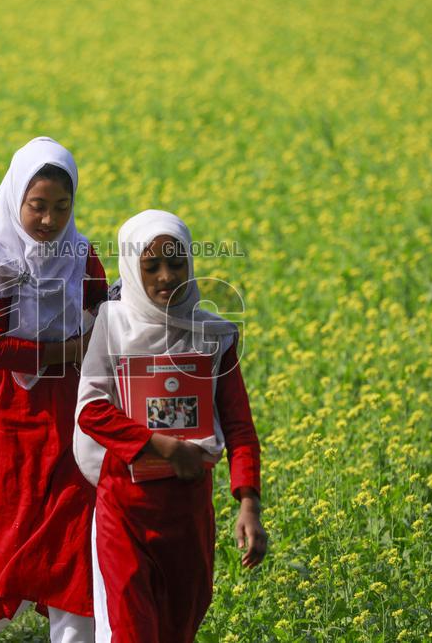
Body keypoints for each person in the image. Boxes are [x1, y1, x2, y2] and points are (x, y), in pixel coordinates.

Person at [0, 137, 107, 643]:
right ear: (17, 198)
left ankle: (71, 631)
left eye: (62, 207)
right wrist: (69, 351)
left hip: (71, 410)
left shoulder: (80, 252)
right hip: (8, 412)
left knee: (72, 529)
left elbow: (104, 314)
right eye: (38, 206)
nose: (49, 220)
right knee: (10, 529)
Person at [74, 210, 267, 642]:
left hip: (187, 510)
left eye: (177, 263)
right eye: (151, 266)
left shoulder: (213, 336)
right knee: (132, 631)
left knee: (178, 628)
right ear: (130, 267)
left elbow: (238, 426)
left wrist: (248, 503)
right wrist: (158, 444)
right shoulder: (113, 324)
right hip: (125, 508)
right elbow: (91, 411)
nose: (166, 276)